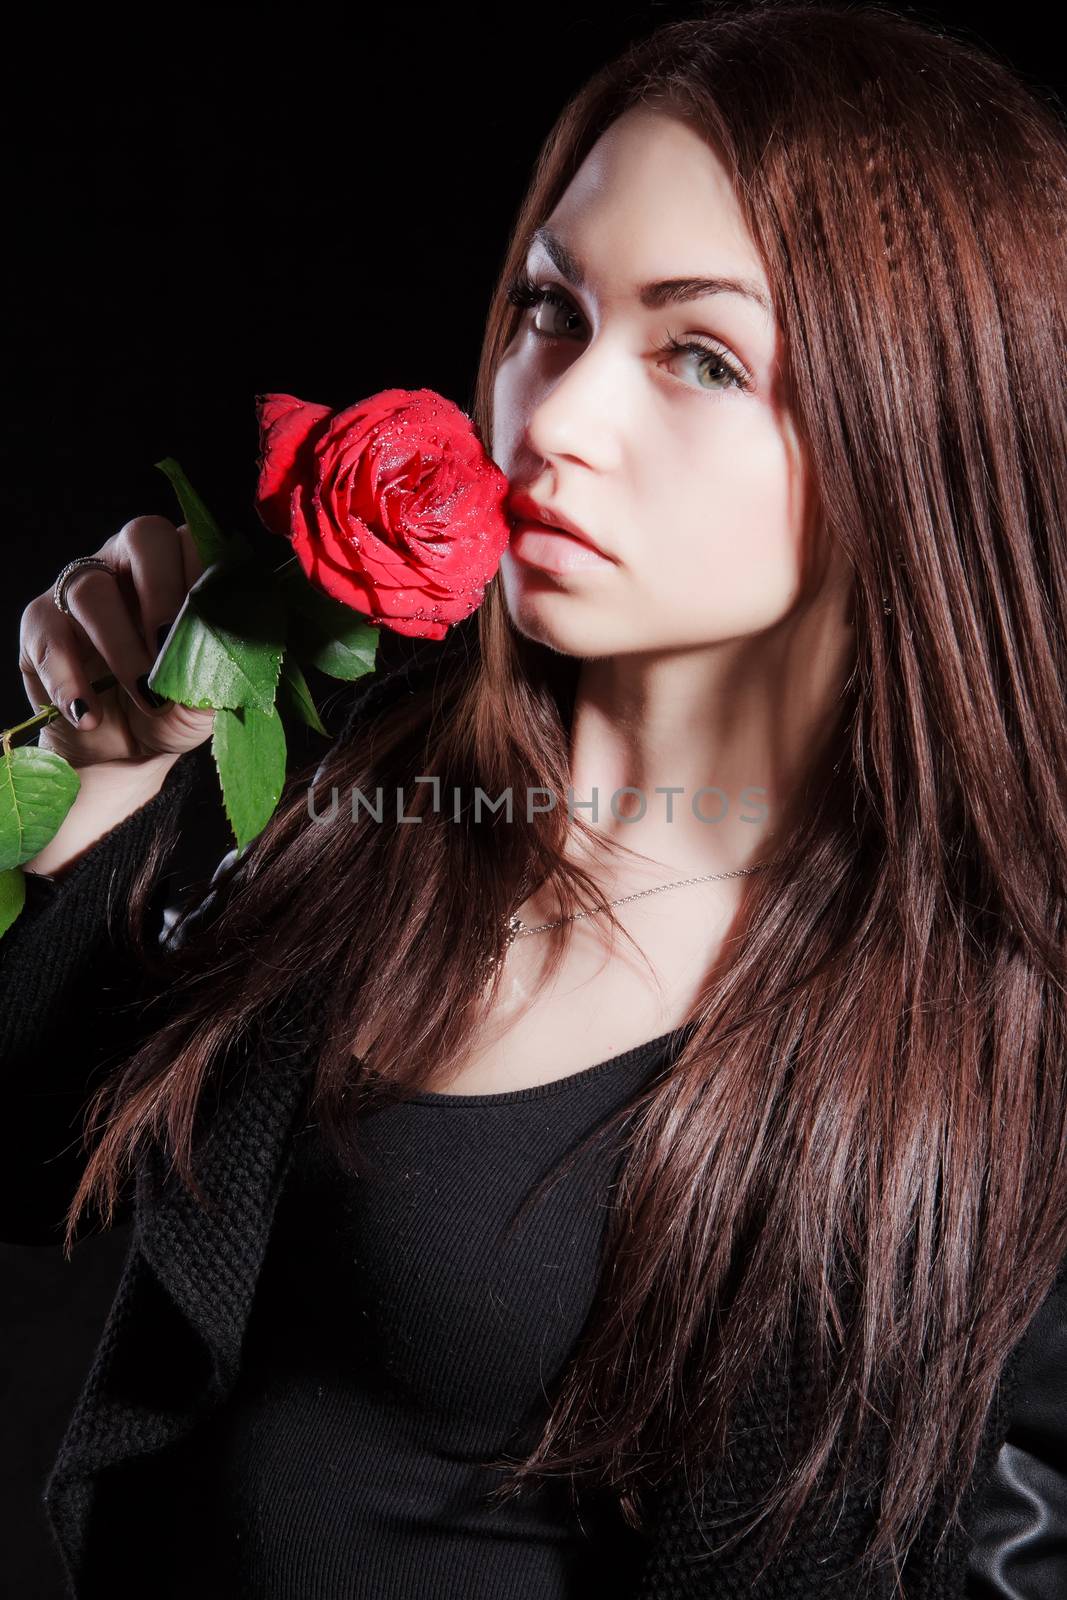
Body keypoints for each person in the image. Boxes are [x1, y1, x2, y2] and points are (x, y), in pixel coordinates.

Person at [3, 3, 1066, 1596]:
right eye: (552, 311)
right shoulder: (353, 780)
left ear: (921, 426)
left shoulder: (993, 1038)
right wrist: (99, 792)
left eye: (701, 356)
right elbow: (35, 1160)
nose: (553, 424)